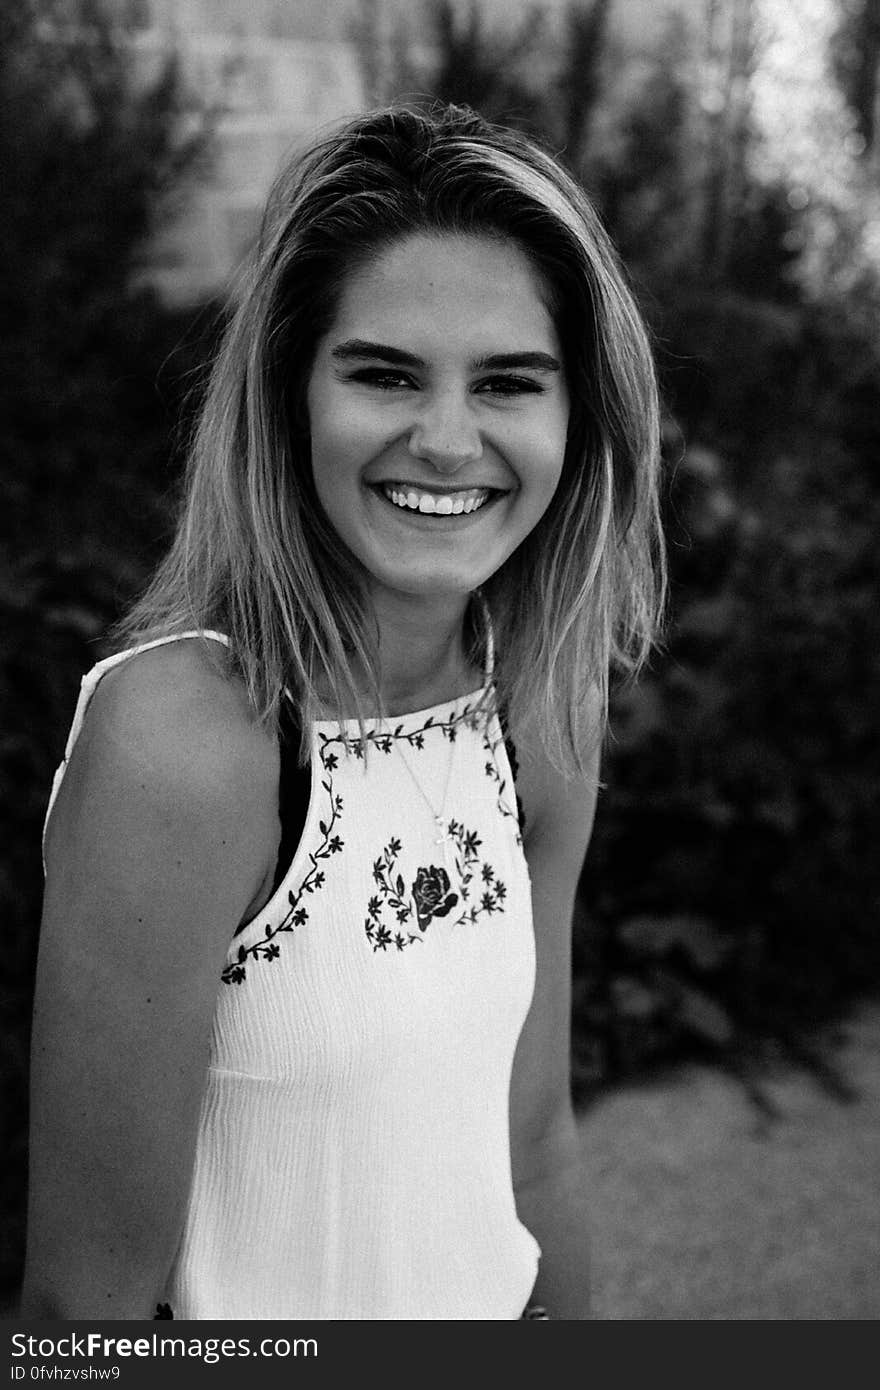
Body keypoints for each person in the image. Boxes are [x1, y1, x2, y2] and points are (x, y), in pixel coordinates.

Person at [21, 102, 665, 1321]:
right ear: (288, 396)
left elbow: (531, 1144)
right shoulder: (186, 746)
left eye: (510, 382)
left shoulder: (542, 714)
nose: (445, 439)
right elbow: (81, 1314)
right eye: (383, 373)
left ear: (579, 423)